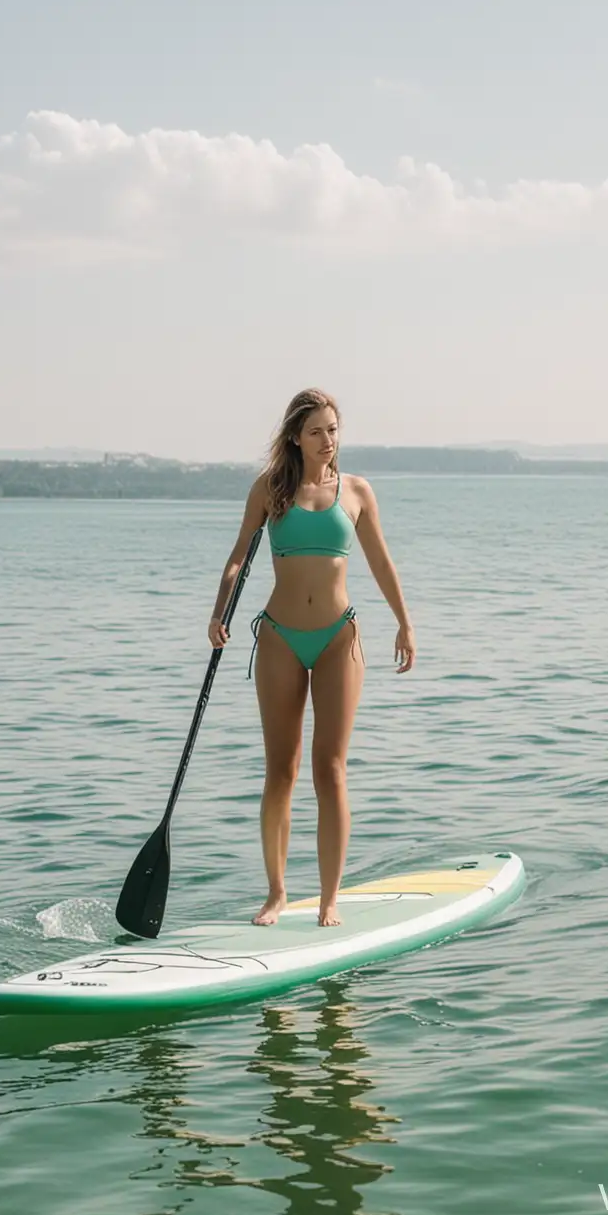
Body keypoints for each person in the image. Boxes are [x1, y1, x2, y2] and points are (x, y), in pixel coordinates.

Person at [209, 389, 415, 927]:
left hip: (337, 640)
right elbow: (236, 561)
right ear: (297, 436)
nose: (330, 440)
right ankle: (276, 893)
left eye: (335, 430)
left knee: (331, 769)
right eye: (318, 431)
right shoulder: (270, 490)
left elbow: (381, 562)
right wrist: (219, 612)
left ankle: (328, 898)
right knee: (281, 771)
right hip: (278, 637)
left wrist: (405, 622)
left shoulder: (357, 491)